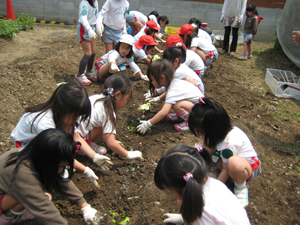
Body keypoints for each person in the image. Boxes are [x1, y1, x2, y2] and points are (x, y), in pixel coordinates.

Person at [10, 81, 112, 187]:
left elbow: (76, 136)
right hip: (25, 145)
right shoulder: (45, 124)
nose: (77, 119)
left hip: (45, 142)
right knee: (50, 166)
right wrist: (85, 169)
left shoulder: (65, 116)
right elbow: (57, 151)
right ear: (60, 110)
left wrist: (94, 156)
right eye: (75, 116)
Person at [0, 129, 101, 224]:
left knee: (43, 195)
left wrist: (85, 207)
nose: (63, 169)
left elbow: (60, 179)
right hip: (7, 192)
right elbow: (45, 210)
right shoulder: (23, 175)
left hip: (6, 189)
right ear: (50, 162)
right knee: (34, 197)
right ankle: (5, 219)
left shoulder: (34, 155)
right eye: (62, 166)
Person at [188, 97, 262, 207]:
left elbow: (226, 170)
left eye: (201, 131)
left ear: (212, 128)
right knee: (206, 150)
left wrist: (213, 189)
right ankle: (215, 171)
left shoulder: (230, 142)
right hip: (226, 162)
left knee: (234, 164)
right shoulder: (219, 133)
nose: (200, 133)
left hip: (246, 166)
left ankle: (240, 187)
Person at [154, 144, 251, 225]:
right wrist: (184, 218)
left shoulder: (203, 213)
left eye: (170, 190)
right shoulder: (213, 183)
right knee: (182, 200)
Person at [75, 73, 143, 160]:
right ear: (118, 95)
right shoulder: (108, 113)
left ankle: (88, 143)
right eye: (127, 99)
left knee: (101, 124)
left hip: (72, 133)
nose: (126, 103)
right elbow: (111, 143)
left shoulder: (96, 98)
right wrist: (128, 154)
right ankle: (84, 148)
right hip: (76, 142)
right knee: (104, 125)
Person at [137, 59, 203, 134]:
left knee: (176, 105)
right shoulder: (173, 82)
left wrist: (148, 123)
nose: (152, 83)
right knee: (175, 103)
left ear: (162, 78)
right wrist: (157, 99)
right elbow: (167, 93)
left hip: (200, 112)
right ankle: (181, 115)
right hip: (197, 106)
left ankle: (191, 122)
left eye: (152, 80)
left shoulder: (173, 90)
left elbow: (164, 112)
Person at [75, 0, 104, 86]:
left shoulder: (95, 2)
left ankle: (89, 71)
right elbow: (83, 18)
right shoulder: (84, 3)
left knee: (94, 52)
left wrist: (98, 26)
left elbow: (97, 15)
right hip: (85, 28)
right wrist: (89, 29)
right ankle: (79, 75)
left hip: (93, 27)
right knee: (88, 53)